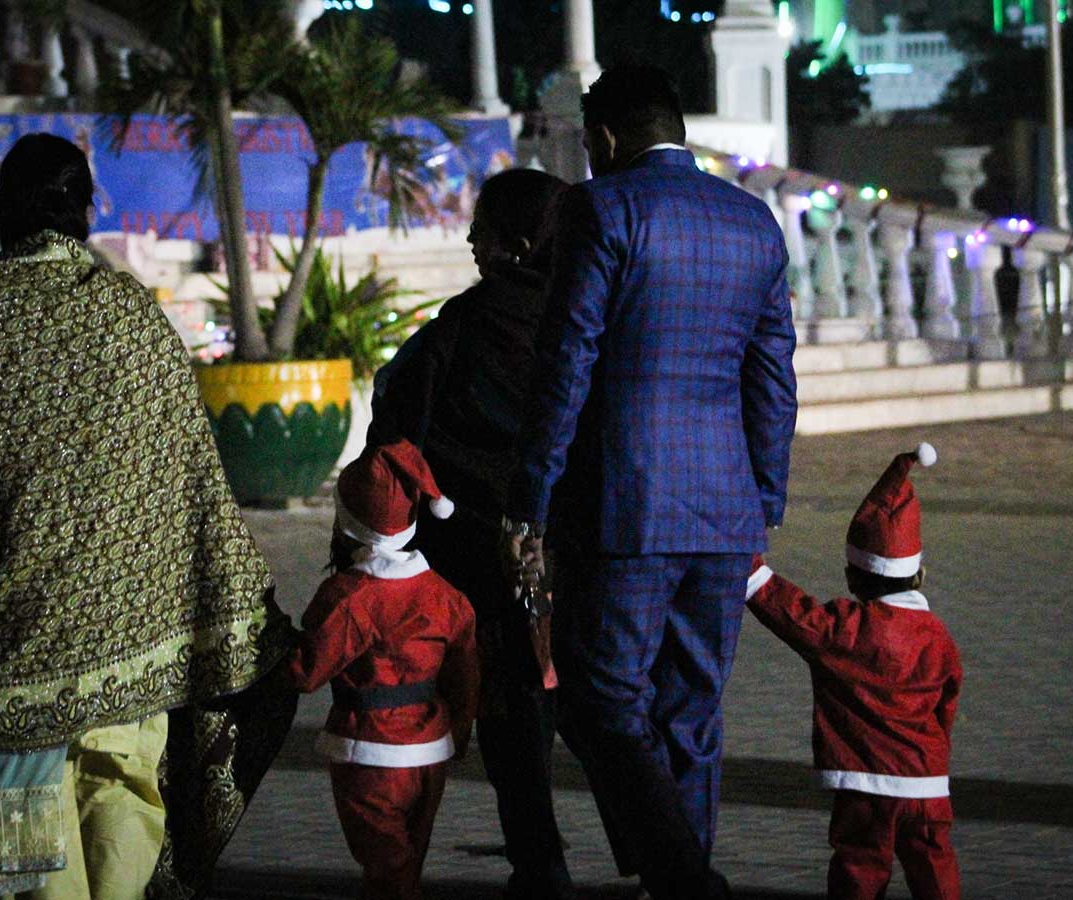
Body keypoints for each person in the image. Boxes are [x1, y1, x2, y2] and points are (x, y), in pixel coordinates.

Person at [0, 133, 296, 900]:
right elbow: (190, 483)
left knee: (32, 862)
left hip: (9, 670)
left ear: (2, 213)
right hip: (133, 656)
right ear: (84, 214)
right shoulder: (135, 318)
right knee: (121, 811)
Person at [503, 66, 798, 900]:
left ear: (601, 139)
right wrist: (762, 499)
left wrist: (532, 495)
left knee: (602, 695)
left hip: (623, 505)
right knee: (693, 711)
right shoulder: (753, 221)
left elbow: (568, 363)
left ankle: (679, 875)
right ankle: (681, 877)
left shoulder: (601, 208)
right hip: (725, 507)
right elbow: (773, 378)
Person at [369, 169, 577, 899]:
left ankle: (540, 864)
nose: (469, 241)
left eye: (482, 230)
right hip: (576, 547)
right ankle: (658, 859)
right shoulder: (588, 318)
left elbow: (396, 423)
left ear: (516, 245)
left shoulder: (463, 324)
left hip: (481, 553)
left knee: (513, 716)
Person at [745, 444, 962, 900]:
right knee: (935, 867)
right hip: (927, 782)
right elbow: (947, 706)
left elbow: (788, 611)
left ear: (855, 577)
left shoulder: (845, 628)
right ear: (918, 574)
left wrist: (748, 565)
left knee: (860, 869)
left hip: (865, 784)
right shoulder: (938, 637)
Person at [288, 439, 480, 900]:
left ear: (348, 522)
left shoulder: (349, 597)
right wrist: (459, 730)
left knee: (387, 871)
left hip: (370, 751)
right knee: (407, 863)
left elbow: (306, 672)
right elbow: (466, 673)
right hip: (430, 750)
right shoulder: (445, 595)